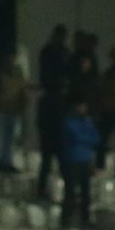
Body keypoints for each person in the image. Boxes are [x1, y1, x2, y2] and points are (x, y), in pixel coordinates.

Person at [35, 25, 70, 199]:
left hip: (54, 134)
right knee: (50, 162)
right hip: (52, 134)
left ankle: (58, 191)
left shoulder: (61, 52)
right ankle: (46, 190)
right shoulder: (52, 53)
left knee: (53, 163)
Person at [0, 54, 28, 172]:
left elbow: (22, 90)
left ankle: (8, 161)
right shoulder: (0, 75)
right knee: (1, 138)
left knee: (11, 139)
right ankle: (0, 161)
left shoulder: (18, 75)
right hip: (2, 110)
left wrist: (22, 105)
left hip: (14, 110)